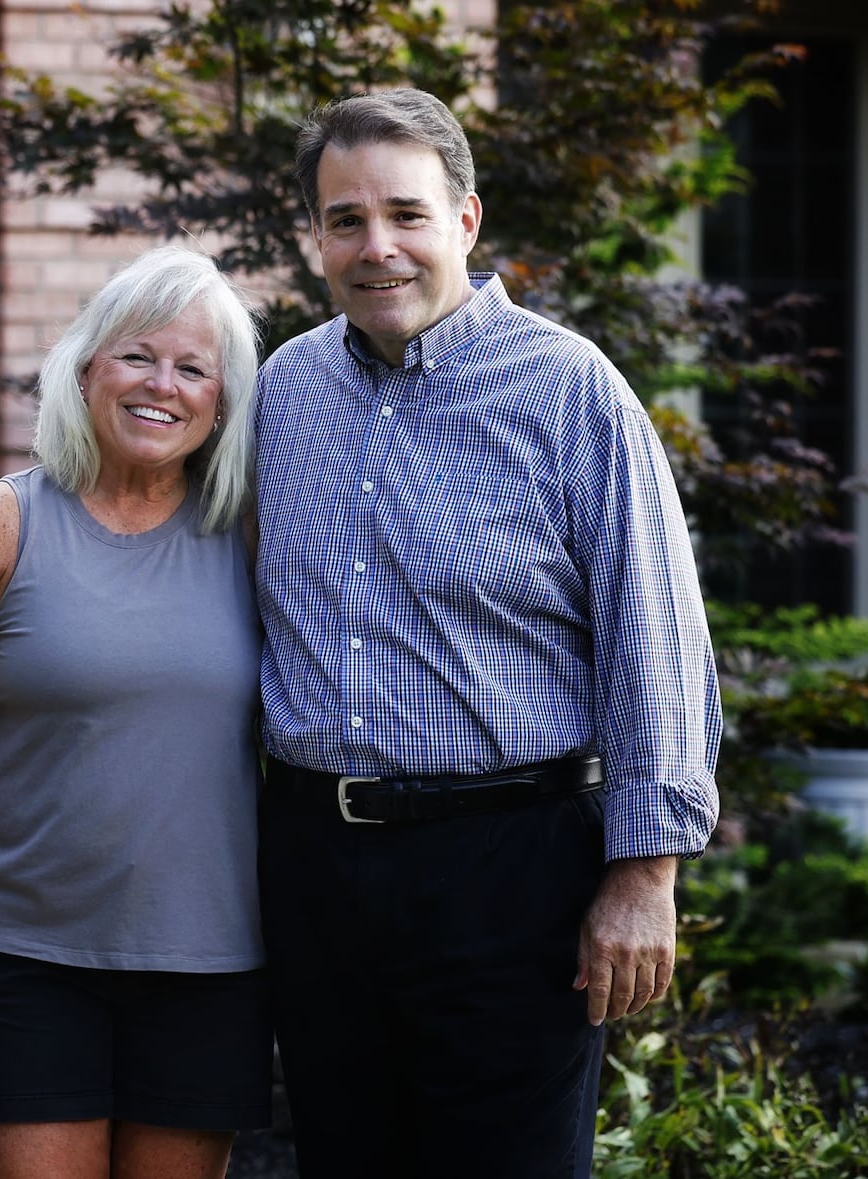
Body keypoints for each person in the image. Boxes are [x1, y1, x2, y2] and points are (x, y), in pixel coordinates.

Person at [253, 88, 722, 1177]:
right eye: (345, 220)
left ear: (464, 220)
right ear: (313, 236)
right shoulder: (284, 390)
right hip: (314, 869)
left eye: (406, 215)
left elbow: (654, 642)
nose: (378, 248)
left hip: (509, 876)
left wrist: (642, 879)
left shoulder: (569, 392)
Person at [0, 243, 272, 1179]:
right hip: (24, 964)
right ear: (85, 367)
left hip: (211, 968)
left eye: (194, 368)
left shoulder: (258, 537)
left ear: (221, 402)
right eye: (138, 356)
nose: (162, 385)